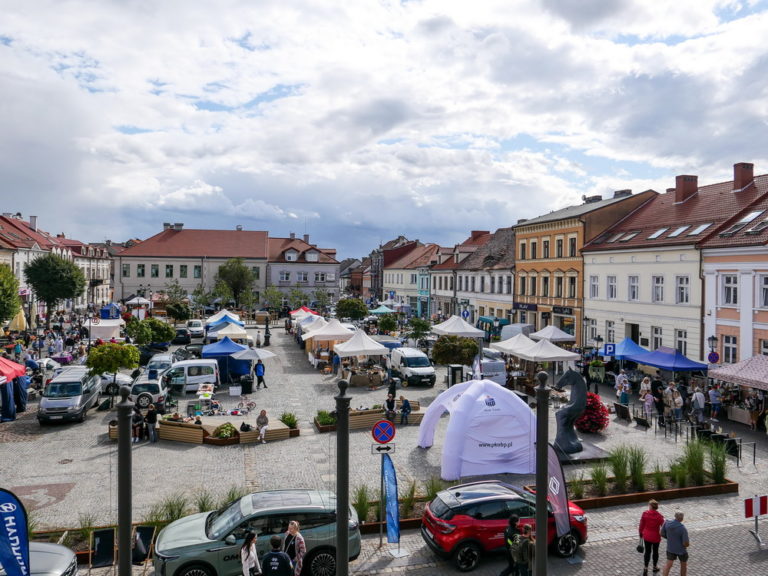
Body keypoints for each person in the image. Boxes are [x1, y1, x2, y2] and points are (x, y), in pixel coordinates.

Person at [639, 499, 665, 575]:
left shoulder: (645, 514)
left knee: (647, 552)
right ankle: (654, 566)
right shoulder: (659, 516)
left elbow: (641, 525)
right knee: (655, 552)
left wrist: (640, 533)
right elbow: (663, 526)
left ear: (650, 506)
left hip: (646, 536)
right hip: (656, 537)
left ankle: (646, 567)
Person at [661, 511, 689, 576]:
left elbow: (661, 533)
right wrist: (687, 545)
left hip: (670, 548)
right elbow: (685, 543)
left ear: (675, 516)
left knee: (668, 565)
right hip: (681, 550)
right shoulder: (682, 528)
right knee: (683, 565)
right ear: (682, 519)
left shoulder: (667, 522)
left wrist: (669, 538)